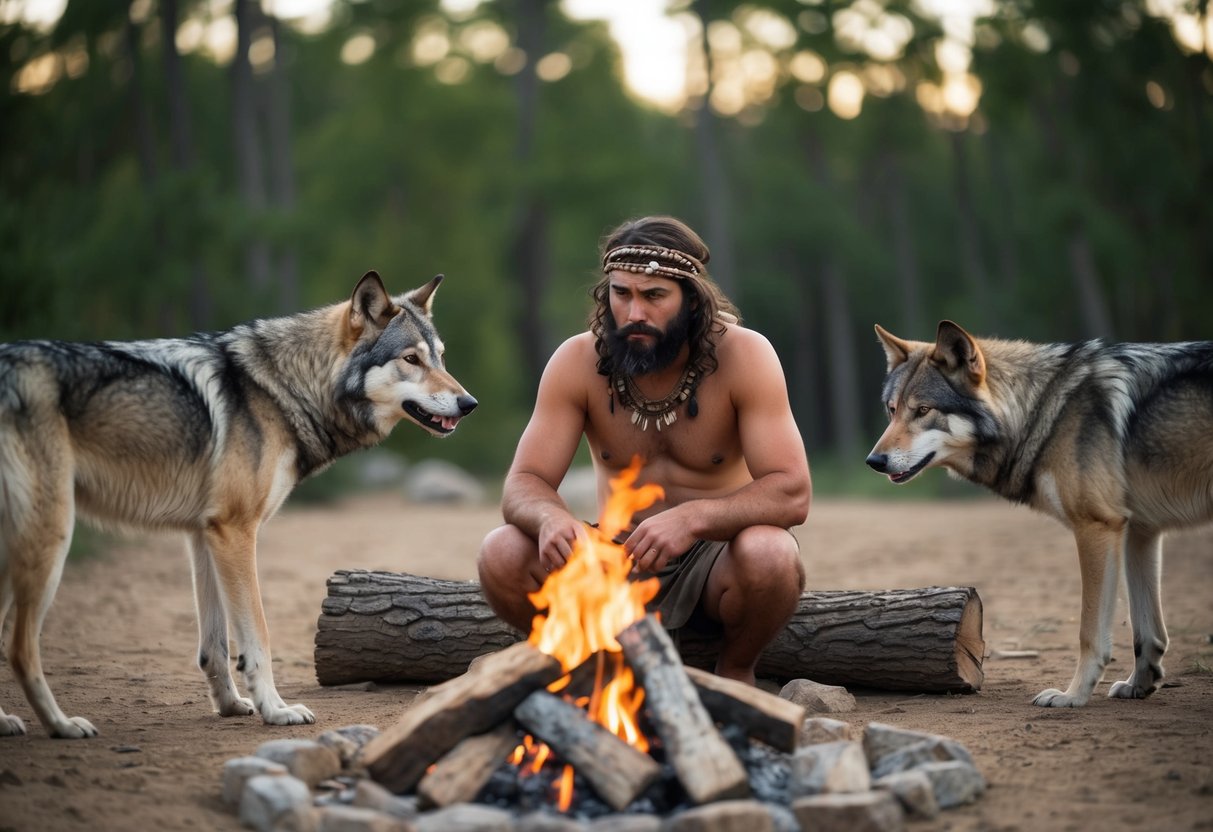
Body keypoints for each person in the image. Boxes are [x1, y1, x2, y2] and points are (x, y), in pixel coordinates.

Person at [477, 215, 811, 685]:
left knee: (771, 554)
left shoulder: (746, 356)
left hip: (714, 562)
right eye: (622, 294)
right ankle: (588, 668)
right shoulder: (577, 362)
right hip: (613, 559)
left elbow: (792, 493)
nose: (634, 313)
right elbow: (523, 483)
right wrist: (552, 517)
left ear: (692, 301)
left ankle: (735, 672)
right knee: (502, 551)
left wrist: (692, 518)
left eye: (654, 296)